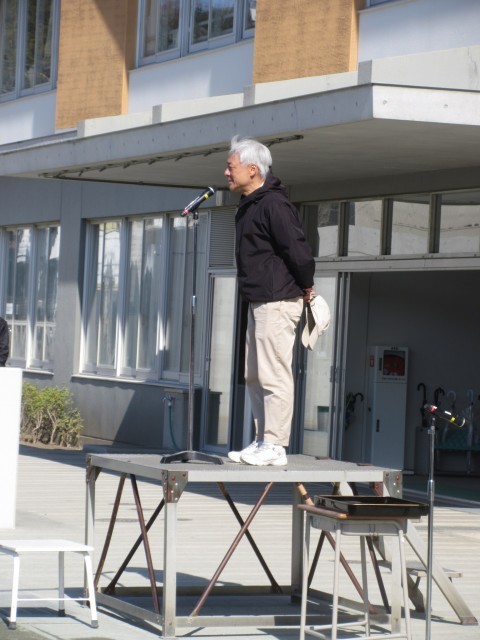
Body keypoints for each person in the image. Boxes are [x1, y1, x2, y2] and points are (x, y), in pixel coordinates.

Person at [225, 136, 315, 466]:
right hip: (259, 300)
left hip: (277, 300)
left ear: (252, 169)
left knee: (273, 373)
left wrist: (307, 286)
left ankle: (275, 444)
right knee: (254, 374)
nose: (226, 173)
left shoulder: (274, 204)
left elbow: (299, 252)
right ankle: (263, 439)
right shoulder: (251, 203)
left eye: (231, 167)